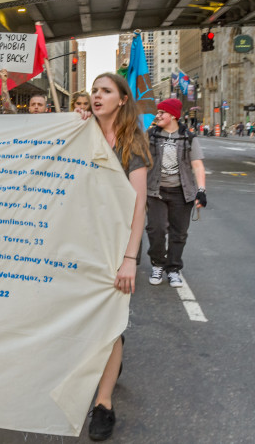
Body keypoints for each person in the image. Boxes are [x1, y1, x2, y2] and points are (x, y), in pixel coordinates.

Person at [77, 72, 151, 441]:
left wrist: (129, 258)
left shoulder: (131, 145)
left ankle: (103, 403)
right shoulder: (81, 133)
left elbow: (138, 207)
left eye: (105, 91)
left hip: (116, 247)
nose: (96, 96)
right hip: (82, 244)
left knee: (108, 327)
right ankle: (114, 352)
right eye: (93, 90)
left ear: (122, 99)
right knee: (92, 322)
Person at [146, 98, 206, 288]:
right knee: (156, 230)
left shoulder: (188, 137)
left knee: (178, 234)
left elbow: (197, 164)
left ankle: (173, 269)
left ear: (173, 115)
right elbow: (138, 157)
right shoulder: (151, 135)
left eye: (162, 112)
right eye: (157, 112)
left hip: (181, 192)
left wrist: (201, 190)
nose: (158, 115)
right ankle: (157, 264)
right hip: (155, 191)